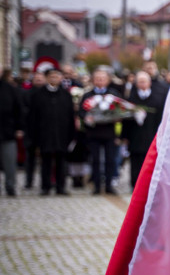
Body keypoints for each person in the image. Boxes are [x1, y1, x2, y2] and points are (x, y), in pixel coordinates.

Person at [27, 65, 76, 195]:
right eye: (51, 76)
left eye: (57, 76)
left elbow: (71, 116)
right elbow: (33, 118)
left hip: (62, 134)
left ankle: (61, 187)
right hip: (44, 134)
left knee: (61, 162)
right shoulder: (38, 95)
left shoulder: (66, 95)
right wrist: (33, 137)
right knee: (46, 162)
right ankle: (45, 187)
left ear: (60, 78)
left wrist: (72, 135)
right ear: (46, 78)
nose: (54, 78)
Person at [79, 66, 123, 194]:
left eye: (103, 79)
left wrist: (117, 117)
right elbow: (81, 112)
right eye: (97, 79)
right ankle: (97, 185)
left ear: (108, 80)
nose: (100, 81)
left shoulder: (113, 94)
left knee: (110, 159)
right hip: (93, 133)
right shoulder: (87, 95)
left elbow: (121, 109)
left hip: (109, 132)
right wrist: (87, 117)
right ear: (93, 80)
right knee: (95, 160)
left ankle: (109, 185)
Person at [121, 71, 166, 188]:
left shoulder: (157, 99)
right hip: (135, 136)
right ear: (136, 84)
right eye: (139, 82)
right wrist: (124, 137)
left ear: (149, 83)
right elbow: (125, 121)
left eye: (144, 81)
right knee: (135, 162)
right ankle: (134, 184)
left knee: (150, 162)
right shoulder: (131, 99)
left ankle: (149, 185)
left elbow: (160, 118)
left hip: (151, 134)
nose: (142, 84)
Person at [0, 69, 23, 196]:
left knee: (9, 162)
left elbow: (18, 109)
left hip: (7, 131)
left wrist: (19, 128)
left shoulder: (10, 89)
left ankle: (10, 186)